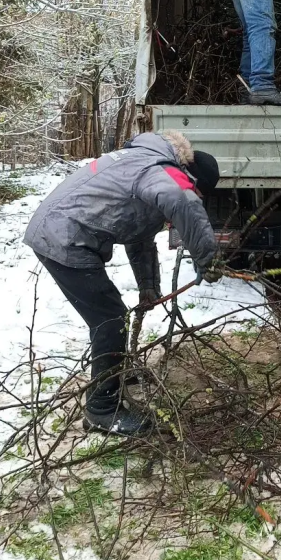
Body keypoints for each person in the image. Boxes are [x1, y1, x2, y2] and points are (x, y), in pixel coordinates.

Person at [24, 131, 221, 435]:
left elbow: (138, 235)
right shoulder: (162, 173)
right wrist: (208, 259)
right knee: (110, 318)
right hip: (63, 238)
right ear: (191, 179)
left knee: (110, 316)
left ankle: (113, 371)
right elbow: (183, 202)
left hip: (58, 230)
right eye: (200, 193)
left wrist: (147, 286)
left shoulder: (143, 162)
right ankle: (102, 409)